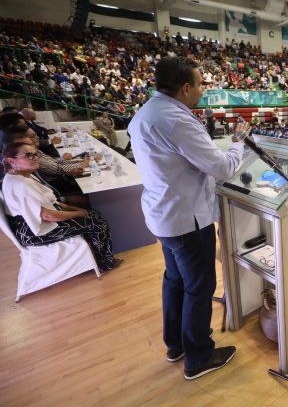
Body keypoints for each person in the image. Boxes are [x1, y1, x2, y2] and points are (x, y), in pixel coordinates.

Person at [128, 56, 249, 381]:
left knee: (175, 280)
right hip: (186, 221)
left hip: (164, 216)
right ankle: (198, 357)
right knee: (199, 286)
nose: (202, 89)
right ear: (184, 88)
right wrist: (237, 144)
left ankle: (176, 344)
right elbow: (221, 167)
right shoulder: (176, 120)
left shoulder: (146, 112)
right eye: (199, 84)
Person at [1, 141, 119, 272]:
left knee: (93, 214)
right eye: (28, 155)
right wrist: (78, 213)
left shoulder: (19, 176)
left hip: (33, 225)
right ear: (11, 161)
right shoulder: (21, 185)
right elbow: (48, 216)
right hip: (35, 231)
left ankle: (94, 257)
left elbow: (51, 203)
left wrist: (76, 210)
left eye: (35, 154)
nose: (35, 158)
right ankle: (104, 263)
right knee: (98, 223)